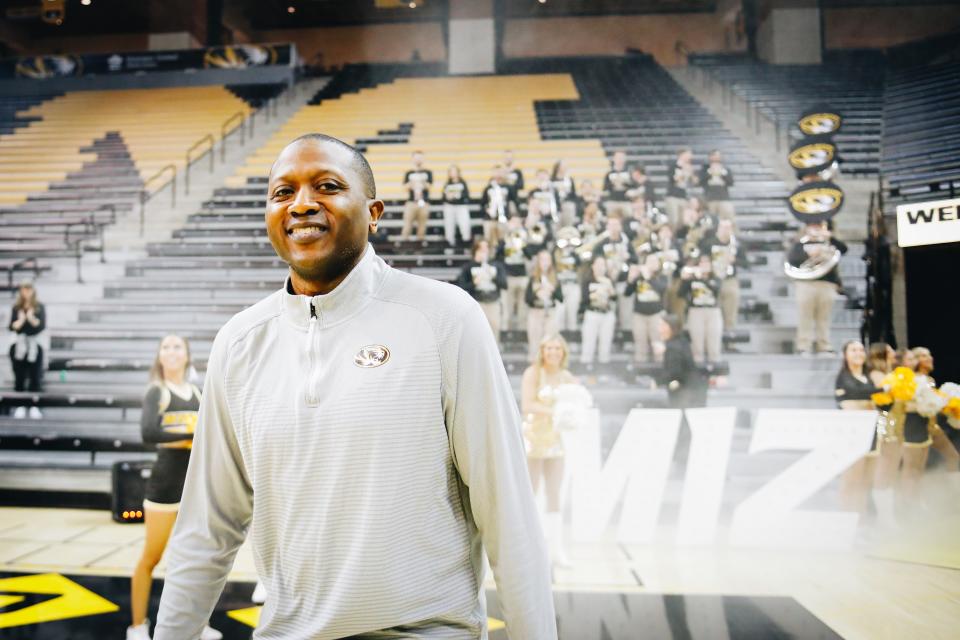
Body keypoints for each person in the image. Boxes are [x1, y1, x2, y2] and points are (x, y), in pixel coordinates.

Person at [154, 134, 556, 639]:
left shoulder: (446, 319)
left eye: (327, 186)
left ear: (374, 213)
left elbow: (508, 514)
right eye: (283, 192)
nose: (301, 203)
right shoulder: (239, 342)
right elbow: (206, 529)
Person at [128, 335, 221, 640]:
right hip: (164, 486)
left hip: (194, 485)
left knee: (194, 559)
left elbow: (210, 430)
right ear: (159, 356)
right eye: (165, 347)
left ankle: (197, 624)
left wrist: (191, 437)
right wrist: (185, 438)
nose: (171, 351)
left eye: (176, 346)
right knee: (151, 558)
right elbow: (148, 432)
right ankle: (138, 626)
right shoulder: (158, 391)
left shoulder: (197, 391)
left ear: (187, 355)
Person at [521, 334, 577, 567]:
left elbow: (576, 404)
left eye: (558, 348)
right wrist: (555, 412)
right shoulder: (533, 373)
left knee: (555, 493)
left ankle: (556, 550)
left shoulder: (567, 377)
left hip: (555, 441)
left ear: (563, 352)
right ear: (542, 351)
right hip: (534, 439)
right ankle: (526, 548)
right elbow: (527, 405)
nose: (553, 352)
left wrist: (573, 415)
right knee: (530, 493)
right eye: (549, 348)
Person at [787, 221, 848, 356]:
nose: (816, 228)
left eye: (819, 226)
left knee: (824, 317)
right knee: (805, 316)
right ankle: (804, 346)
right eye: (813, 225)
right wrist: (809, 255)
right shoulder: (800, 243)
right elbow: (792, 259)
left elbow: (844, 249)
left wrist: (830, 238)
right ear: (807, 228)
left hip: (827, 284)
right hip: (805, 284)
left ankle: (824, 346)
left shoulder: (829, 242)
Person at [833, 340, 879, 516]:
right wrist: (881, 392)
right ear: (845, 355)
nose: (858, 353)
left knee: (866, 483)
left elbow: (872, 401)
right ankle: (846, 519)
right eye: (853, 350)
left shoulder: (868, 377)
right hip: (853, 432)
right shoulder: (843, 377)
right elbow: (851, 397)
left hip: (872, 432)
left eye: (861, 349)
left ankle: (861, 521)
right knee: (852, 480)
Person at [911, 347, 960, 472]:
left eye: (929, 355)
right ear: (914, 360)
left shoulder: (930, 380)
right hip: (918, 427)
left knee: (953, 457)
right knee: (916, 466)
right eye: (923, 355)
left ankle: (951, 487)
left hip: (933, 426)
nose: (929, 358)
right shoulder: (912, 379)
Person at [867, 342, 899, 526]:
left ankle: (889, 515)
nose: (894, 353)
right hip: (881, 423)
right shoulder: (876, 375)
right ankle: (883, 517)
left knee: (890, 469)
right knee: (883, 469)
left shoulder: (889, 374)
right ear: (881, 355)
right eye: (890, 351)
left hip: (892, 422)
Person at [458, 237, 508, 347]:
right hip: (477, 303)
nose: (484, 252)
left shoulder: (496, 265)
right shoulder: (468, 267)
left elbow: (504, 285)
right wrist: (474, 282)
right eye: (481, 249)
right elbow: (461, 287)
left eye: (486, 249)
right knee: (476, 330)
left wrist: (493, 276)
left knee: (494, 330)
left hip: (493, 302)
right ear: (475, 250)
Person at [7, 281, 45, 419]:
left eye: (29, 289)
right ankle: (20, 405)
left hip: (34, 345)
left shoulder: (39, 307)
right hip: (19, 345)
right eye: (24, 289)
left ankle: (34, 405)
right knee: (19, 376)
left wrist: (30, 317)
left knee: (35, 376)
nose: (26, 292)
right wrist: (22, 320)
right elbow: (11, 327)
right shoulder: (16, 307)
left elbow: (40, 326)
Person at [699, 218, 742, 333]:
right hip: (712, 279)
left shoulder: (736, 244)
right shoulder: (708, 243)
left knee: (731, 311)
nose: (725, 230)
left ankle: (730, 340)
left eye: (728, 228)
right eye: (723, 227)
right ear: (718, 228)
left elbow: (746, 263)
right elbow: (701, 259)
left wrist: (735, 260)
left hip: (730, 280)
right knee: (711, 311)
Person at [678, 255, 723, 364]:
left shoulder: (715, 278)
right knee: (697, 344)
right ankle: (697, 371)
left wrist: (703, 279)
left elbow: (716, 290)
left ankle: (714, 369)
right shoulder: (691, 279)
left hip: (712, 311)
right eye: (701, 263)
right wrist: (685, 281)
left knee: (714, 343)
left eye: (706, 263)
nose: (704, 266)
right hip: (696, 311)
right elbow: (680, 294)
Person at [625, 254, 668, 364]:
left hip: (656, 315)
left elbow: (661, 289)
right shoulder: (640, 277)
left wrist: (648, 277)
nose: (651, 264)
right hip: (639, 315)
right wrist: (630, 280)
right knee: (640, 343)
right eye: (649, 261)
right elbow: (627, 293)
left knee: (657, 343)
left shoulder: (662, 277)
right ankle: (640, 369)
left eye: (654, 262)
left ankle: (660, 368)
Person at [657, 314, 707, 408]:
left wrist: (657, 382)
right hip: (693, 388)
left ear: (671, 328)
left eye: (663, 326)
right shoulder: (682, 341)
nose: (659, 329)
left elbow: (674, 373)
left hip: (686, 392)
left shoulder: (673, 348)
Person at [525, 250, 564, 362]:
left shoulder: (555, 278)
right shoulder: (533, 278)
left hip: (550, 313)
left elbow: (561, 298)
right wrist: (537, 293)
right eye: (542, 259)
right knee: (535, 343)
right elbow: (527, 299)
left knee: (550, 342)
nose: (545, 262)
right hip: (536, 312)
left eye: (547, 259)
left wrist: (552, 290)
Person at [579, 255, 617, 367]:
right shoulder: (587, 280)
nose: (601, 267)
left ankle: (604, 367)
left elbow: (614, 298)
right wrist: (596, 295)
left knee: (605, 343)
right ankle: (586, 367)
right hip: (592, 313)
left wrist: (610, 288)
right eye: (598, 264)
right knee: (588, 342)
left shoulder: (609, 280)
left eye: (603, 265)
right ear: (593, 266)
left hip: (607, 314)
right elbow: (584, 298)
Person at [497, 216, 532, 333]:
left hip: (522, 276)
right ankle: (507, 334)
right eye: (513, 222)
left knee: (523, 308)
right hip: (508, 277)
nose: (516, 225)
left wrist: (521, 243)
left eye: (518, 222)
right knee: (508, 308)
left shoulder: (524, 238)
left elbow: (529, 255)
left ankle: (521, 334)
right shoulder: (503, 239)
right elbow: (497, 257)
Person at [553, 226, 583, 332]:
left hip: (573, 285)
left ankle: (572, 340)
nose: (568, 240)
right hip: (560, 285)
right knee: (559, 314)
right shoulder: (556, 252)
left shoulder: (577, 251)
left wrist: (573, 250)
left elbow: (580, 263)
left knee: (572, 314)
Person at [400, 150, 433, 241]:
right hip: (411, 202)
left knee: (422, 227)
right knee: (407, 225)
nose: (418, 160)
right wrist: (413, 183)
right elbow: (405, 187)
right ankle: (404, 246)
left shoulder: (428, 172)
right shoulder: (409, 173)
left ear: (423, 159)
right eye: (416, 157)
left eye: (420, 157)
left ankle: (420, 248)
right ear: (413, 159)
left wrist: (420, 180)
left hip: (424, 202)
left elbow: (429, 186)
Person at [479, 164, 515, 245]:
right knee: (489, 242)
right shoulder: (488, 188)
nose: (498, 174)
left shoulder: (508, 187)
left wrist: (512, 217)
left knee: (505, 241)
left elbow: (513, 202)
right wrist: (487, 210)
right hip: (490, 219)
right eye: (495, 172)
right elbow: (482, 204)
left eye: (499, 172)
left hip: (504, 219)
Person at [664, 148, 698, 228]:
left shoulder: (689, 166)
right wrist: (683, 171)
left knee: (681, 221)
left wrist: (691, 173)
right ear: (681, 155)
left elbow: (695, 182)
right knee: (673, 220)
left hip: (683, 196)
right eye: (688, 155)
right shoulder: (673, 166)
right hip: (672, 196)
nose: (690, 157)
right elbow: (673, 179)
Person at [698, 149, 735, 221]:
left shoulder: (725, 169)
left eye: (718, 156)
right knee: (710, 220)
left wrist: (722, 173)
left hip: (724, 198)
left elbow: (730, 182)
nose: (717, 157)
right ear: (710, 157)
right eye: (715, 155)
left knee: (728, 220)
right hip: (709, 198)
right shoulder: (704, 169)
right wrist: (710, 172)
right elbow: (701, 182)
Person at [441, 164, 470, 246]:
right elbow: (443, 197)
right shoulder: (447, 184)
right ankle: (450, 243)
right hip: (449, 207)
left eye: (455, 171)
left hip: (461, 206)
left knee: (464, 225)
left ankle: (466, 242)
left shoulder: (463, 183)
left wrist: (457, 197)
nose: (453, 173)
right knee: (449, 226)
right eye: (451, 171)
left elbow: (466, 195)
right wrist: (448, 198)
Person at [602, 150, 634, 219]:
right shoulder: (609, 174)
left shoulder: (629, 173)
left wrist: (624, 184)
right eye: (618, 157)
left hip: (626, 202)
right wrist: (613, 184)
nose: (620, 160)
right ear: (614, 159)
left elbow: (633, 186)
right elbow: (605, 188)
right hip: (613, 201)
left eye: (621, 157)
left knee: (628, 219)